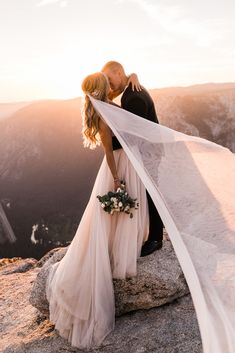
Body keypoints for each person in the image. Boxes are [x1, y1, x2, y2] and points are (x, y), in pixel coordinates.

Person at [46, 72, 149, 349]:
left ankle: (124, 247)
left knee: (117, 216)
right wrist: (116, 181)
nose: (111, 84)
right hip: (117, 166)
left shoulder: (105, 102)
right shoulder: (102, 112)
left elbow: (120, 91)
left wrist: (133, 76)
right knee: (109, 217)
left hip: (128, 161)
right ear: (103, 88)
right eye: (107, 82)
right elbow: (107, 150)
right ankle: (114, 254)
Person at [102, 61, 163, 256]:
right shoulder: (130, 88)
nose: (110, 86)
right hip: (148, 149)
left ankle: (155, 239)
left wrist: (109, 147)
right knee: (148, 192)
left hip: (148, 151)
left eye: (110, 80)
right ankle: (151, 234)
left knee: (152, 194)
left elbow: (133, 136)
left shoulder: (133, 96)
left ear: (119, 73)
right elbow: (107, 95)